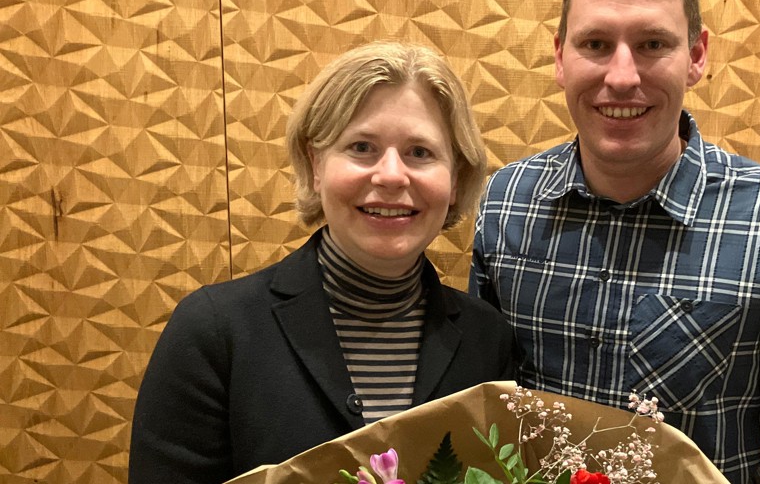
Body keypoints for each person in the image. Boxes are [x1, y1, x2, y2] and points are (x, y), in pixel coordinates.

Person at [470, 0, 760, 484]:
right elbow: (482, 414)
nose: (623, 76)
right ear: (560, 56)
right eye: (596, 44)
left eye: (653, 44)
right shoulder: (507, 202)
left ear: (696, 56)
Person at [130, 41, 517, 483]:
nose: (391, 175)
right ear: (316, 166)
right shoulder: (215, 332)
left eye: (420, 152)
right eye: (362, 146)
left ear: (455, 179)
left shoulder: (489, 340)